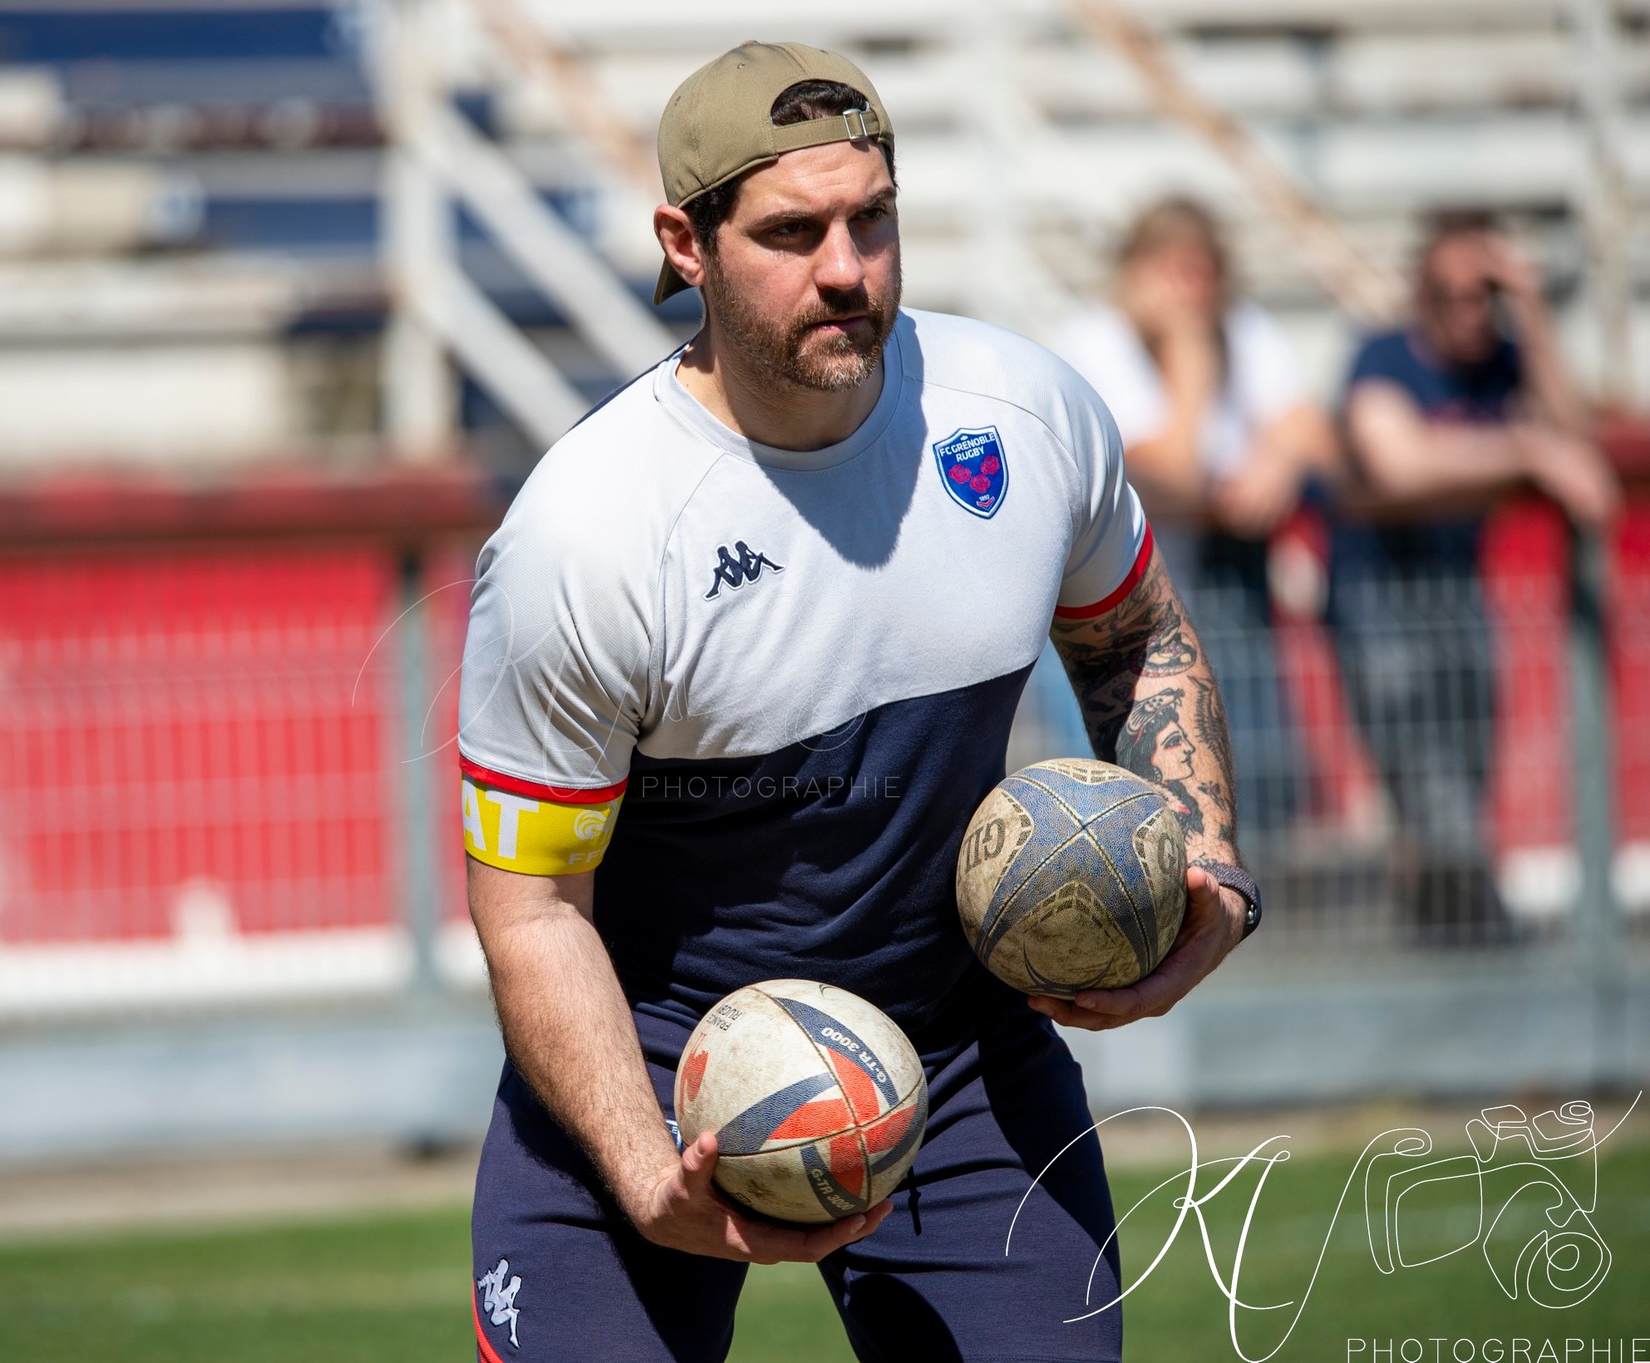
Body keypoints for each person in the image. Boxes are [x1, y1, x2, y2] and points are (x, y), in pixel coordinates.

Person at [456, 44, 1260, 1363]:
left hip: (954, 1049)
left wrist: (1211, 865)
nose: (847, 269)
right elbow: (532, 906)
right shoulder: (586, 533)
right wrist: (647, 1171)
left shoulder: (1025, 415)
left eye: (871, 219)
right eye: (791, 232)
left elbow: (1135, 634)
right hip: (642, 1060)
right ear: (685, 245)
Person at [1330, 209, 1617, 938]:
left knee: (1466, 762)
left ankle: (1438, 925)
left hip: (1458, 595)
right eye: (1449, 294)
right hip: (1377, 597)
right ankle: (1481, 932)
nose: (1467, 310)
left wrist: (1531, 304)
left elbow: (1575, 437)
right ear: (1421, 293)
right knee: (1426, 776)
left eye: (1483, 293)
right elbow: (1396, 461)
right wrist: (1523, 447)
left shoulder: (1504, 360)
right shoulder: (1383, 355)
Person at [1056, 199, 1339, 839]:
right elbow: (1173, 469)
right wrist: (1189, 356)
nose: (1188, 294)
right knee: (1141, 796)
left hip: (1230, 591)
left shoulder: (1243, 330)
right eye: (1170, 272)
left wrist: (1280, 460)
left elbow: (1318, 438)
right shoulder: (1093, 342)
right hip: (1121, 606)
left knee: (1255, 782)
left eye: (1201, 273)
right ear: (1132, 272)